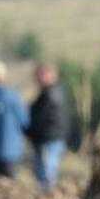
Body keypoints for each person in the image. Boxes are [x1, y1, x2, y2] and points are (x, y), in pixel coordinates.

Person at [27, 63, 71, 191]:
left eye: (41, 75)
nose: (38, 78)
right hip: (48, 139)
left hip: (49, 140)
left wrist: (30, 131)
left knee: (47, 176)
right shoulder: (51, 93)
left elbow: (42, 118)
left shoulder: (51, 94)